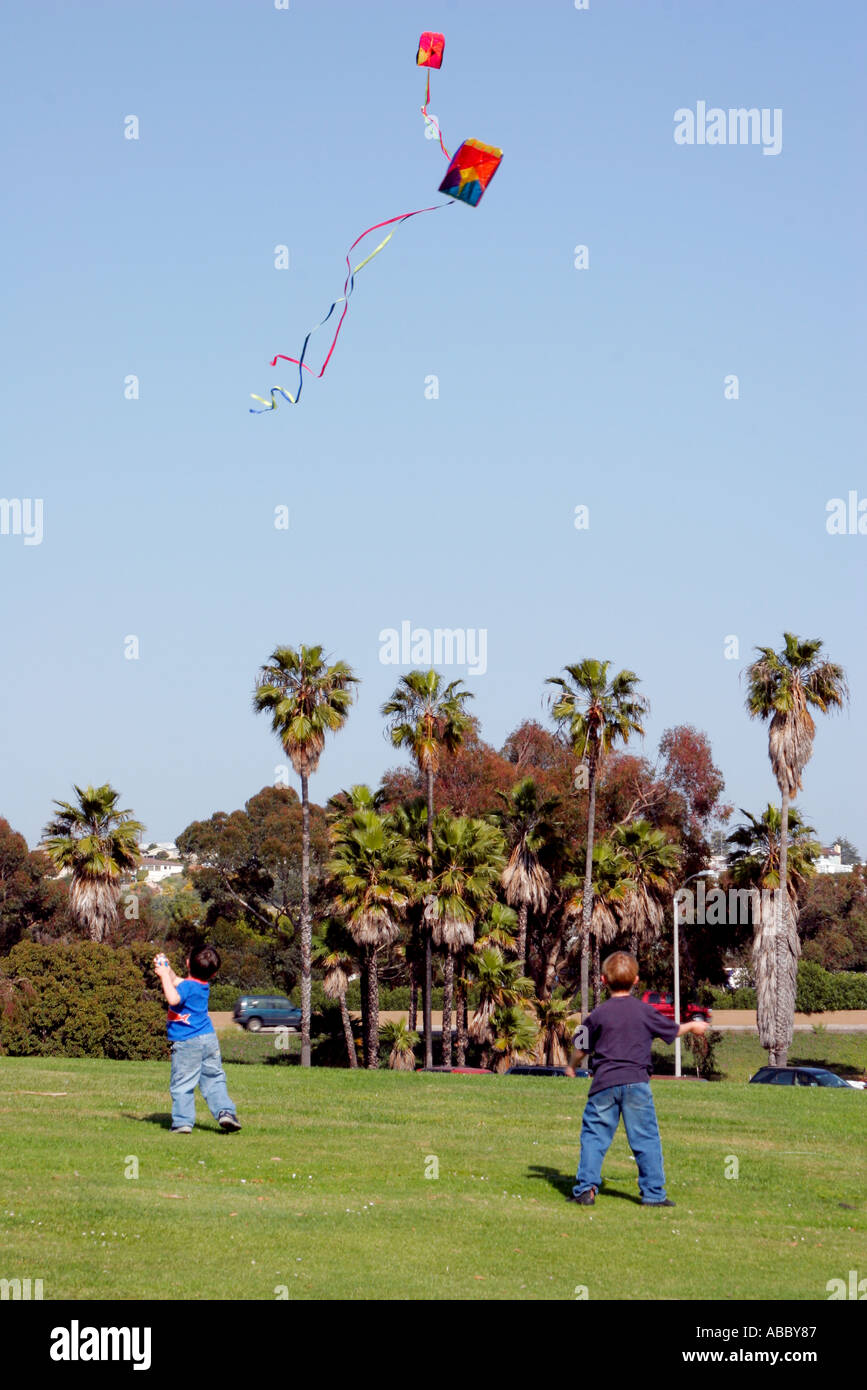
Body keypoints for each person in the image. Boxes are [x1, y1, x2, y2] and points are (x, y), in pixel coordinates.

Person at [565, 950, 707, 1206]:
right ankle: (653, 1195)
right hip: (637, 1084)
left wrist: (572, 1066)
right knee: (645, 1139)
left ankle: (585, 1189)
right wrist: (693, 1026)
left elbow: (581, 1047)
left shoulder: (597, 1015)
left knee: (594, 1137)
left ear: (603, 981)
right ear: (636, 980)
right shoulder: (645, 1011)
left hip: (603, 1085)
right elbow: (673, 1030)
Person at [153, 945, 242, 1134]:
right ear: (214, 973)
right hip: (208, 1039)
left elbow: (173, 998)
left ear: (187, 963)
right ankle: (226, 1112)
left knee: (183, 1082)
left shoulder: (186, 987)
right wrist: (167, 970)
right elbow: (177, 981)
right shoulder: (201, 985)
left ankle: (183, 1122)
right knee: (214, 1078)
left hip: (187, 1043)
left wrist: (162, 976)